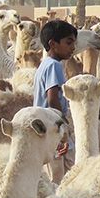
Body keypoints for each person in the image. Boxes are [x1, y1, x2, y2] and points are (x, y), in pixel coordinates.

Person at [33, 19, 74, 181]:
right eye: (68, 42)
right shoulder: (54, 66)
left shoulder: (44, 65)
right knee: (58, 179)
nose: (73, 48)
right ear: (53, 44)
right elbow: (53, 100)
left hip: (46, 128)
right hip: (52, 128)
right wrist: (61, 131)